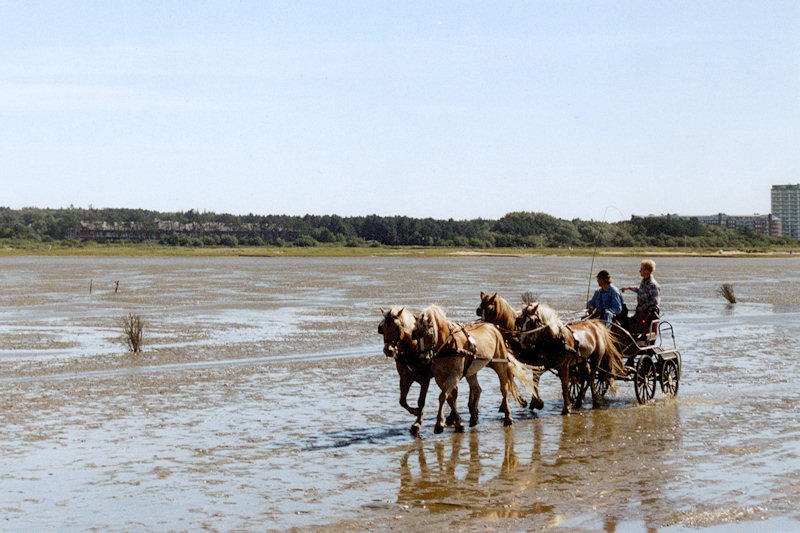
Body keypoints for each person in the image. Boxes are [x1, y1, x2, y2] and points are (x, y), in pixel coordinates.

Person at [621, 259, 661, 333]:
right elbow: (640, 290)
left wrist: (643, 307)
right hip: (641, 311)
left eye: (641, 269)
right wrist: (629, 288)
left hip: (649, 313)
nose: (640, 271)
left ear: (647, 271)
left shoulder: (653, 285)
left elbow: (654, 301)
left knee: (634, 325)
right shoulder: (644, 281)